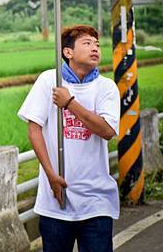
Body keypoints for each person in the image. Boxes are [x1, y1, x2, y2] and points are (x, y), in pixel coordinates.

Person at [17, 25, 120, 252]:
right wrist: (51, 175)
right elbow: (34, 129)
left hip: (96, 200)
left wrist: (70, 103)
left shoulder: (106, 88)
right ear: (67, 52)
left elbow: (107, 131)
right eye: (87, 43)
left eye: (97, 44)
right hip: (56, 199)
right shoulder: (49, 81)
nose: (95, 48)